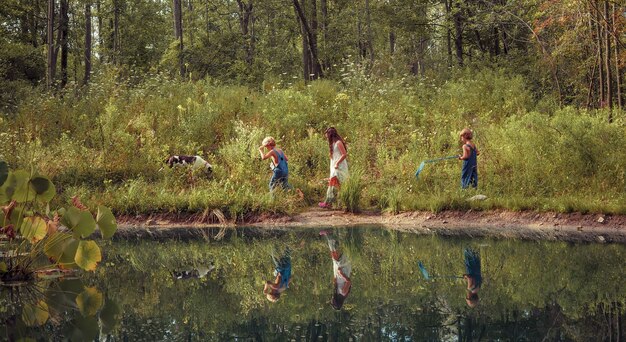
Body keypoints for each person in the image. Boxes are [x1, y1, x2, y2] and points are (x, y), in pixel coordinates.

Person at [320, 230, 352, 310]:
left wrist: (335, 277)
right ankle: (348, 233)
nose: (331, 300)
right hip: (344, 270)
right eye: (333, 302)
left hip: (337, 272)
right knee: (345, 250)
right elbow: (348, 282)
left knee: (334, 254)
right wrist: (341, 274)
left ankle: (330, 235)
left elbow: (337, 282)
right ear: (337, 302)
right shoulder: (343, 293)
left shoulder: (337, 293)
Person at [319, 127, 349, 209]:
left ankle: (328, 202)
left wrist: (337, 163)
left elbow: (344, 154)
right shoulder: (332, 144)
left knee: (335, 184)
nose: (326, 137)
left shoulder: (338, 143)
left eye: (327, 135)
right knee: (337, 185)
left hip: (339, 167)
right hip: (334, 167)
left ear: (330, 134)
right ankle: (337, 203)